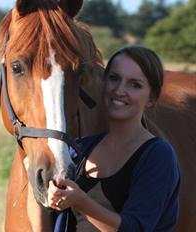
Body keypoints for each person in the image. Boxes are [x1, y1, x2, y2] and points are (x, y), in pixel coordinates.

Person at [47, 45, 181, 232]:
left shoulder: (158, 155)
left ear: (151, 99)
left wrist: (81, 202)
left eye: (135, 84)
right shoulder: (81, 149)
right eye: (114, 78)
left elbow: (136, 228)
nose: (119, 90)